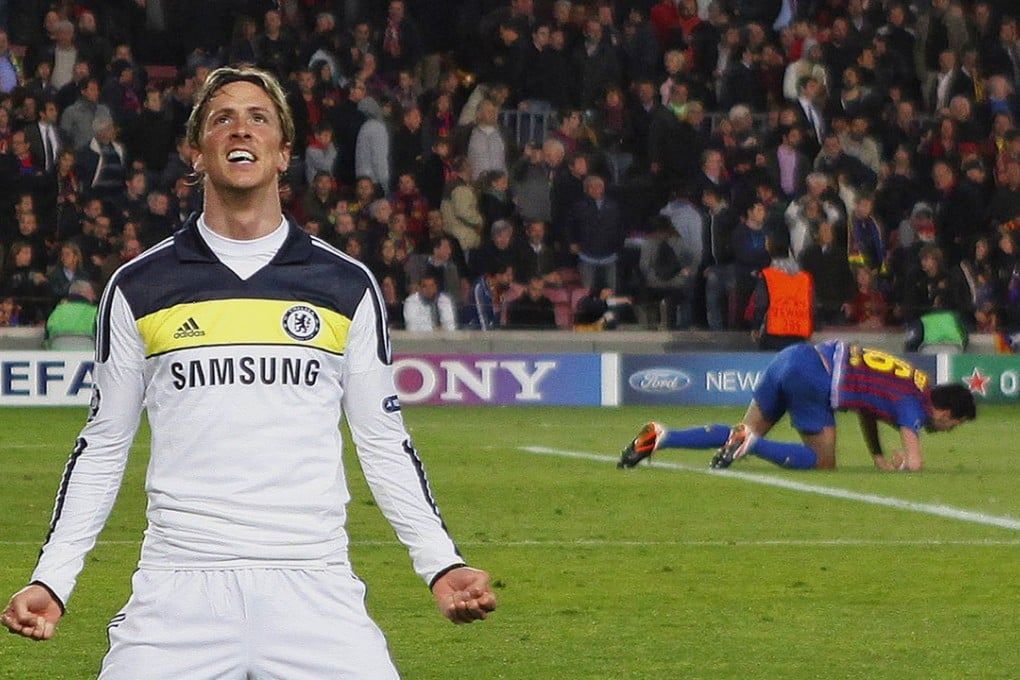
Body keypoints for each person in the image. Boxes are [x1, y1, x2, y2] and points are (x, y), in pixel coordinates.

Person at [2, 66, 495, 677]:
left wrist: (441, 563)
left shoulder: (345, 284)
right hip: (179, 587)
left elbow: (384, 442)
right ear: (196, 152)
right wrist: (53, 577)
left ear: (285, 153)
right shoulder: (139, 287)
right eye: (222, 118)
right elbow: (102, 446)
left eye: (260, 117)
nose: (242, 128)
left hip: (313, 583)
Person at [618, 339, 976, 472]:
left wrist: (878, 455)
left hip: (794, 355)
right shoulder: (915, 406)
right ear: (945, 412)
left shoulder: (912, 382)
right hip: (814, 377)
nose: (948, 430)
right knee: (822, 461)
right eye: (954, 425)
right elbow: (915, 463)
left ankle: (662, 437)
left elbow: (867, 408)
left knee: (740, 434)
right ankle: (754, 446)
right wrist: (900, 464)